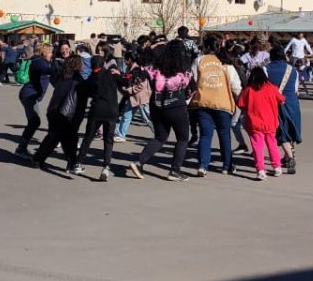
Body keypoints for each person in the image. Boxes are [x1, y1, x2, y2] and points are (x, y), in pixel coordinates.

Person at [133, 41, 197, 182]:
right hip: (176, 107)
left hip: (156, 106)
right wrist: (186, 95)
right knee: (183, 138)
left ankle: (140, 161)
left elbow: (142, 72)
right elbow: (192, 88)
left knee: (160, 137)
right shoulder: (185, 69)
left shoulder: (155, 68)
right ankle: (174, 170)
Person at [191, 36, 242, 176]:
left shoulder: (199, 61)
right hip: (223, 103)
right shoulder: (226, 63)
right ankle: (227, 165)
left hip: (203, 102)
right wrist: (239, 100)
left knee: (205, 135)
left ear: (205, 47)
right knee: (224, 135)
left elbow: (193, 81)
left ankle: (202, 165)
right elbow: (236, 86)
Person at [74, 55, 126, 181]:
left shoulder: (92, 78)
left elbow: (83, 90)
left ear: (92, 65)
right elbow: (126, 82)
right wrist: (120, 73)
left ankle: (78, 163)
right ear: (103, 64)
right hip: (112, 111)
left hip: (96, 111)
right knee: (108, 141)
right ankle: (106, 167)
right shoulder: (112, 74)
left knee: (88, 138)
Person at [32, 55, 86, 172]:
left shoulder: (62, 76)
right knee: (69, 140)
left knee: (54, 137)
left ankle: (38, 159)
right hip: (67, 114)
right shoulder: (78, 79)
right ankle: (71, 163)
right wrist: (79, 117)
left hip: (54, 110)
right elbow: (81, 101)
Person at [237, 67, 286, 181]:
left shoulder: (248, 90)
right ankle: (277, 167)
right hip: (270, 123)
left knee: (257, 147)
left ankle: (260, 170)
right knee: (272, 145)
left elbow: (240, 104)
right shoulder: (272, 88)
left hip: (254, 124)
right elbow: (282, 100)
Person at [16, 44, 54, 158]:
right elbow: (49, 70)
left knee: (33, 122)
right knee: (34, 122)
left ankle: (21, 148)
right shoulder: (39, 62)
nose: (52, 55)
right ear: (45, 52)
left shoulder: (41, 61)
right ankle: (21, 149)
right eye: (50, 52)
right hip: (29, 95)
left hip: (31, 95)